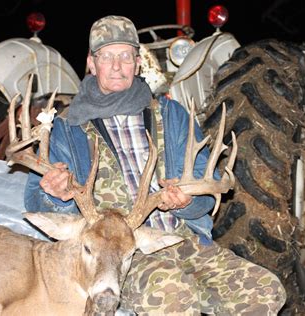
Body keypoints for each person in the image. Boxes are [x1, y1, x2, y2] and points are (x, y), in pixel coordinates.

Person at [25, 15, 286, 315]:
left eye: (125, 56)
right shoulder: (67, 127)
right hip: (117, 254)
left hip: (180, 237)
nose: (116, 65)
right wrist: (54, 195)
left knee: (266, 291)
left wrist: (187, 201)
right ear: (91, 63)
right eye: (106, 56)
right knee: (173, 292)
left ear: (138, 63)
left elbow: (206, 178)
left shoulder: (171, 113)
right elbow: (35, 197)